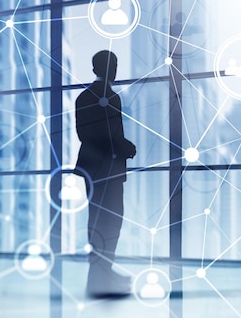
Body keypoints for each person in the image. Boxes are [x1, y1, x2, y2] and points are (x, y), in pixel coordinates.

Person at [75, 50, 136, 297]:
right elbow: (107, 135)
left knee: (98, 220)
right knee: (111, 221)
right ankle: (101, 276)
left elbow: (86, 136)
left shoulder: (83, 97)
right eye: (114, 64)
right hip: (108, 169)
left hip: (93, 169)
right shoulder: (110, 97)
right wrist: (124, 147)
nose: (115, 69)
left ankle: (100, 274)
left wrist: (119, 145)